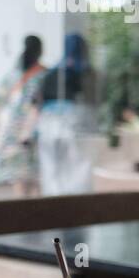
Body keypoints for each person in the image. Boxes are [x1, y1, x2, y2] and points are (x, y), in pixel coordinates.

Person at [0, 35, 47, 196]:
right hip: (34, 128)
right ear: (41, 51)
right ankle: (38, 211)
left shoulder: (13, 74)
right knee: (36, 175)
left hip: (11, 128)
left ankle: (23, 209)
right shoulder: (43, 74)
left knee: (20, 176)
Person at [36, 33, 97, 195]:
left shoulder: (52, 73)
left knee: (52, 168)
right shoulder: (87, 74)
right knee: (79, 166)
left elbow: (38, 103)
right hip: (77, 124)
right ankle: (74, 201)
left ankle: (55, 199)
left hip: (50, 125)